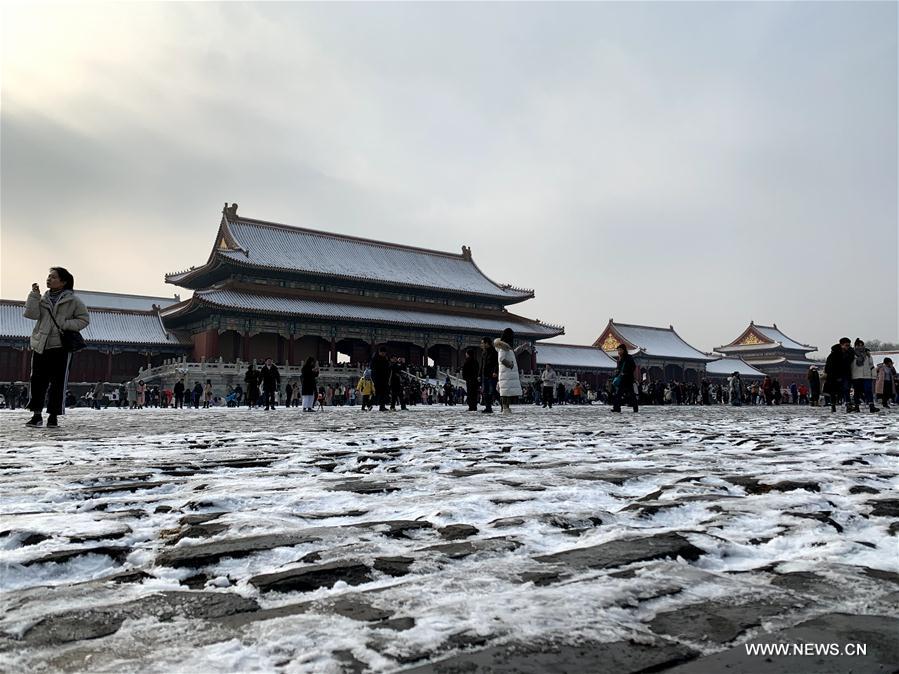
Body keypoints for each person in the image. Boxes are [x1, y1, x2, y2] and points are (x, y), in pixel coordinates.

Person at [23, 267, 90, 427]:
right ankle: (36, 415)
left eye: (53, 277)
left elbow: (84, 319)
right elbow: (31, 314)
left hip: (60, 347)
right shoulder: (43, 299)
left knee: (58, 383)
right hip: (41, 345)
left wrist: (65, 324)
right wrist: (34, 296)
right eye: (49, 277)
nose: (49, 279)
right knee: (37, 381)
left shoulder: (73, 301)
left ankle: (53, 416)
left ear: (63, 282)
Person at [494, 328, 523, 413]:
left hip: (507, 373)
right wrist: (510, 365)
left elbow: (512, 353)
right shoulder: (503, 347)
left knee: (507, 391)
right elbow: (501, 358)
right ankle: (505, 407)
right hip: (506, 373)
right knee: (505, 391)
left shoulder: (506, 346)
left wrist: (520, 348)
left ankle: (506, 407)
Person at [824, 337, 854, 412]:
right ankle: (833, 406)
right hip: (834, 375)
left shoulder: (849, 353)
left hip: (846, 374)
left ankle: (848, 405)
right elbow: (829, 366)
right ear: (841, 345)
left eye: (848, 345)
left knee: (846, 389)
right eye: (846, 345)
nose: (848, 347)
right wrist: (835, 376)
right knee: (833, 392)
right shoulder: (833, 354)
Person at [850, 339, 878, 413]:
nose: (860, 346)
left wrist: (874, 375)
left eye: (862, 345)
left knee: (868, 390)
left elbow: (871, 365)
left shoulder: (868, 355)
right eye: (858, 345)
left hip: (867, 375)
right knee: (857, 392)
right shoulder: (851, 354)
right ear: (855, 346)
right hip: (856, 376)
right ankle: (856, 406)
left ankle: (871, 406)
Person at [611, 344, 638, 413]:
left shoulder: (629, 358)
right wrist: (616, 373)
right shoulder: (620, 359)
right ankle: (616, 408)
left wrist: (626, 372)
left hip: (628, 379)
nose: (619, 352)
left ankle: (635, 408)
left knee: (631, 394)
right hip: (622, 379)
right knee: (618, 394)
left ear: (624, 350)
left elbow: (633, 367)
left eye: (620, 350)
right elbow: (619, 369)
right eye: (618, 350)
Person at [479, 336, 499, 413]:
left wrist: (495, 372)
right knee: (485, 392)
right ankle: (488, 407)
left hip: (491, 375)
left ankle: (501, 404)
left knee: (492, 391)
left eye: (482, 343)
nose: (481, 345)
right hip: (485, 375)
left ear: (487, 343)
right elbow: (482, 365)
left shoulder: (494, 352)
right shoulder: (483, 353)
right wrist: (479, 375)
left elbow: (497, 364)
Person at [371, 346, 391, 412]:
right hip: (377, 378)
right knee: (375, 393)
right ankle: (369, 404)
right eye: (382, 352)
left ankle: (382, 407)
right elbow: (373, 369)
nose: (383, 354)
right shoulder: (375, 359)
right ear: (379, 352)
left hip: (384, 379)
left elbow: (388, 368)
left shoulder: (385, 359)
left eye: (384, 353)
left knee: (383, 393)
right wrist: (374, 378)